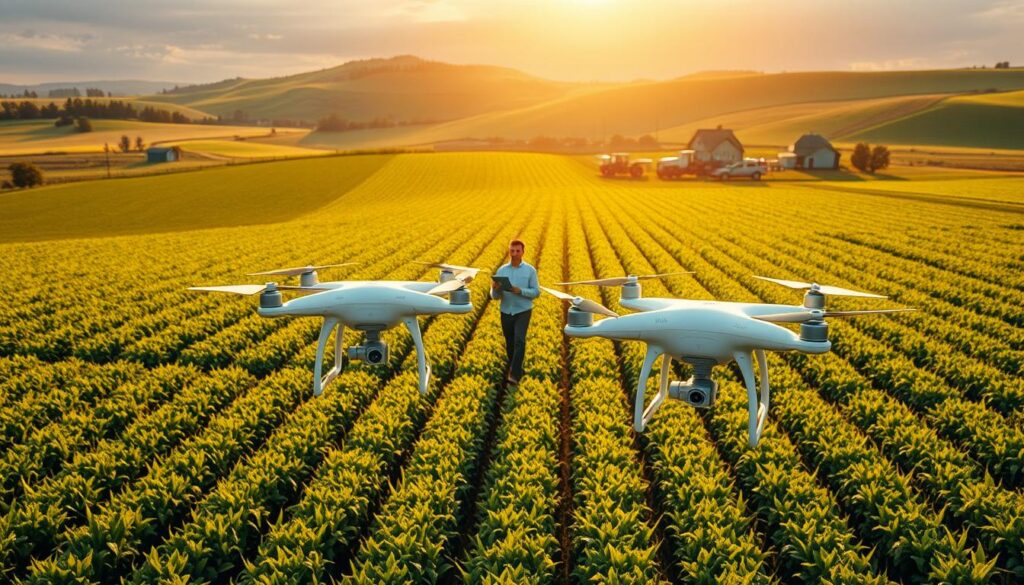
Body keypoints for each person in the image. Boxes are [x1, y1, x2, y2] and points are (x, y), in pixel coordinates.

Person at [491, 239, 539, 385]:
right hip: (506, 311)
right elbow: (495, 297)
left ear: (523, 252)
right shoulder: (502, 271)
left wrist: (521, 291)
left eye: (517, 251)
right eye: (512, 251)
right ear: (509, 252)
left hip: (523, 311)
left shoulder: (530, 271)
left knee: (519, 340)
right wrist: (495, 288)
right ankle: (516, 367)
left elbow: (536, 292)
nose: (514, 253)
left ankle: (514, 375)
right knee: (510, 342)